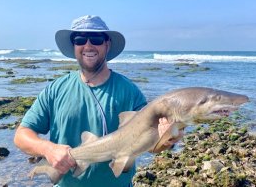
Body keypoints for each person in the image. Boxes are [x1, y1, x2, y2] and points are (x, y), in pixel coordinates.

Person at [14, 15, 182, 187]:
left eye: (96, 38)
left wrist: (166, 140)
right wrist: (48, 149)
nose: (88, 45)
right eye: (80, 39)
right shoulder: (55, 90)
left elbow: (150, 146)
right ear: (74, 46)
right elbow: (21, 135)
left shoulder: (129, 91)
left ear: (107, 44)